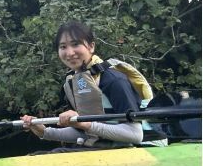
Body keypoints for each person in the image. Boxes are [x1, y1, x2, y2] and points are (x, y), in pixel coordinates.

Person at [21, 21, 152, 149]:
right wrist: (44, 132)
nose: (70, 53)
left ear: (91, 46)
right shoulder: (73, 82)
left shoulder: (114, 80)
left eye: (75, 44)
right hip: (101, 148)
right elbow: (86, 133)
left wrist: (84, 123)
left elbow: (135, 135)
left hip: (132, 149)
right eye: (63, 47)